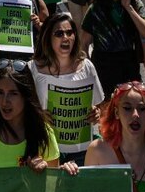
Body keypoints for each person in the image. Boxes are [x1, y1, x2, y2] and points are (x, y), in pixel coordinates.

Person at [28, 13, 105, 165]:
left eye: (70, 33)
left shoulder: (86, 66)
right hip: (45, 146)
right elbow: (21, 107)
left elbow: (100, 104)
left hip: (80, 148)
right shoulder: (32, 69)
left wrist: (96, 113)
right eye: (59, 33)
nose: (66, 37)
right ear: (48, 38)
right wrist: (39, 115)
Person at [0, 62, 62, 171]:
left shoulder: (43, 132)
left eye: (13, 93)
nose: (5, 101)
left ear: (26, 95)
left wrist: (42, 173)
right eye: (0, 93)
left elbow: (53, 184)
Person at [79, 0, 145, 96]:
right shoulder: (96, 8)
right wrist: (89, 70)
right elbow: (84, 43)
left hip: (129, 64)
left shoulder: (135, 4)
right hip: (103, 65)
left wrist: (128, 8)